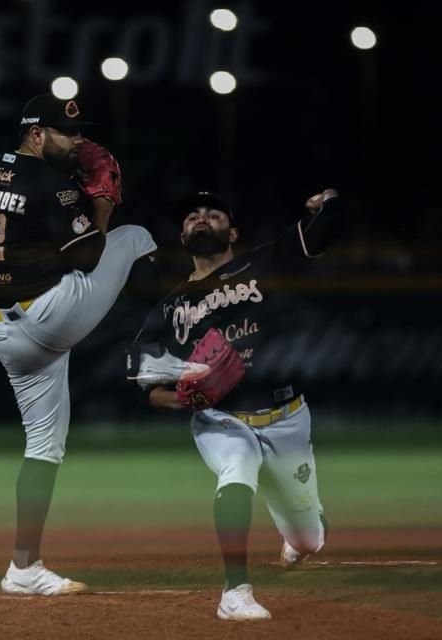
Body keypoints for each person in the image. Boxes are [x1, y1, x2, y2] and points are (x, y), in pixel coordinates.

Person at [0, 94, 158, 595]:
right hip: (47, 312)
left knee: (44, 448)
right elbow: (91, 255)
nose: (77, 141)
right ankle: (181, 321)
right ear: (36, 134)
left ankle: (23, 568)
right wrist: (101, 200)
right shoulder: (50, 182)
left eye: (78, 132)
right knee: (135, 236)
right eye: (65, 132)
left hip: (4, 331)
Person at [128, 190, 340, 620]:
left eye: (213, 213)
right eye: (191, 216)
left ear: (233, 231)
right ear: (182, 235)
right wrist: (186, 399)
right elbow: (147, 387)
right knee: (237, 467)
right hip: (221, 419)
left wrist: (331, 205)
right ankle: (235, 593)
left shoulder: (265, 262)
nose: (201, 218)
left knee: (307, 541)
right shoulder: (168, 310)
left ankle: (303, 530)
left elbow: (327, 230)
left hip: (287, 417)